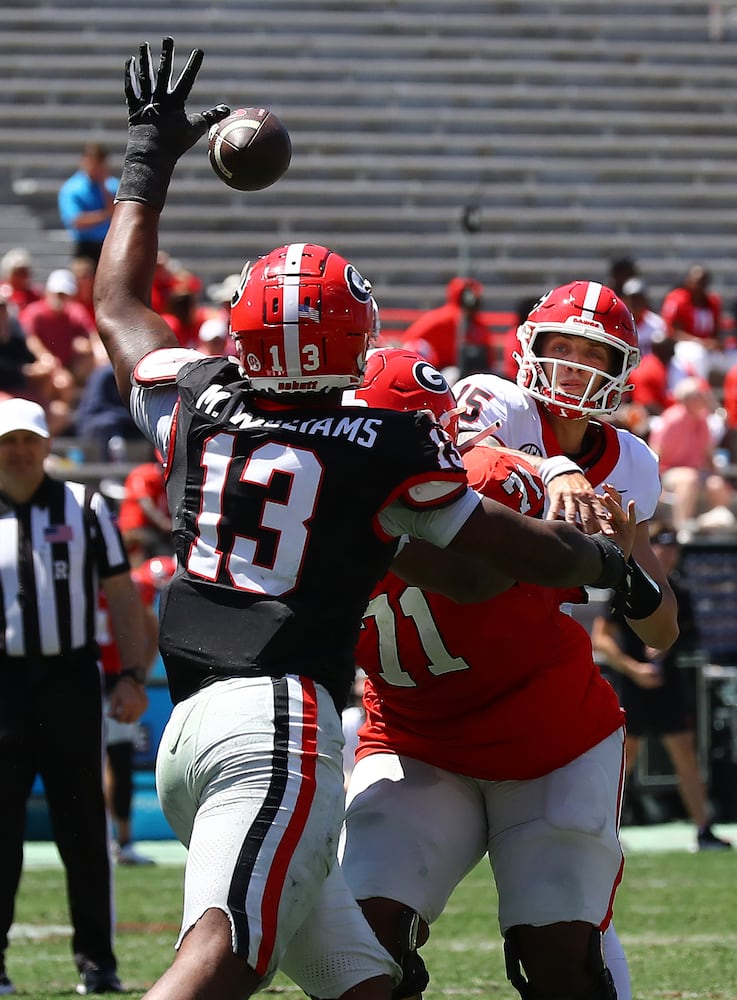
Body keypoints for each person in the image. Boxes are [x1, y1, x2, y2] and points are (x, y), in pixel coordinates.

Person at [91, 37, 634, 1000]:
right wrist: (605, 563)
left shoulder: (198, 402)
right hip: (280, 726)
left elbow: (119, 303)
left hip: (189, 731)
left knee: (361, 983)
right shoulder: (382, 445)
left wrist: (149, 155)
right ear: (362, 341)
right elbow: (482, 566)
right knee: (221, 963)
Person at [339, 348, 649, 1000]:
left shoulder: (490, 476)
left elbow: (524, 570)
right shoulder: (301, 503)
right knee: (357, 945)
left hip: (548, 740)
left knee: (560, 954)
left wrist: (613, 558)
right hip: (413, 740)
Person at [446, 282, 681, 998]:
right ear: (529, 350)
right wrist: (549, 466)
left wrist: (623, 569)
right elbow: (463, 456)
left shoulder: (633, 464)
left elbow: (659, 629)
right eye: (560, 348)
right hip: (436, 687)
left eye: (592, 353)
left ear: (619, 365)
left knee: (564, 935)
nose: (574, 365)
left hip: (545, 695)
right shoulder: (497, 403)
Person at [0, 396, 150, 995]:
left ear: (46, 445)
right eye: (7, 441)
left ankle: (97, 960)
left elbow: (121, 593)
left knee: (83, 828)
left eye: (27, 441)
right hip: (3, 687)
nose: (17, 451)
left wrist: (132, 675)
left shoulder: (85, 506)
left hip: (68, 680)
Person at [591, 522, 732, 851]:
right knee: (625, 758)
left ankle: (704, 829)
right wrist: (635, 668)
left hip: (668, 686)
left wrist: (667, 642)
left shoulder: (679, 591)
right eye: (660, 545)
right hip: (633, 684)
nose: (667, 553)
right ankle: (603, 829)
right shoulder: (626, 583)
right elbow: (602, 638)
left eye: (672, 547)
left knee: (685, 754)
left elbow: (686, 634)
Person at [98, 555, 175, 866]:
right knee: (113, 758)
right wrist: (137, 676)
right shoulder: (134, 584)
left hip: (92, 677)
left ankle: (115, 841)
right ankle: (121, 841)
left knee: (107, 759)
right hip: (107, 678)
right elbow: (152, 631)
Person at [648, 376, 734, 531]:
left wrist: (716, 475)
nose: (705, 399)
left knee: (716, 484)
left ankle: (720, 529)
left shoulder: (703, 421)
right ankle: (682, 528)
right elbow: (654, 454)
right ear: (688, 399)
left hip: (696, 471)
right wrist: (654, 484)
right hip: (667, 473)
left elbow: (709, 455)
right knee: (688, 478)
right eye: (700, 396)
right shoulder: (671, 419)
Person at [399, 276, 494, 379]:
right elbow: (408, 341)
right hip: (439, 371)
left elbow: (489, 358)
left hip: (473, 373)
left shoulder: (479, 325)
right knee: (452, 374)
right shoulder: (442, 318)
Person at [58, 142, 118, 262]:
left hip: (110, 244)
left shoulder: (113, 186)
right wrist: (105, 215)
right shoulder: (72, 188)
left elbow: (119, 215)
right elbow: (77, 221)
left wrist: (103, 186)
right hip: (85, 246)